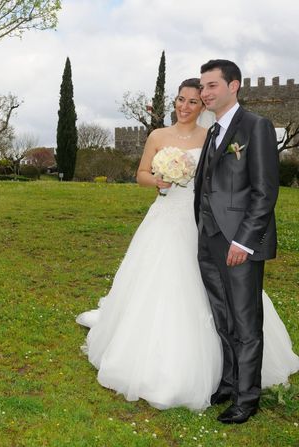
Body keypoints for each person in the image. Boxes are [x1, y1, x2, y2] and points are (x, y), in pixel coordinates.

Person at [76, 77, 299, 413]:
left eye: (193, 101)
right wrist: (159, 179)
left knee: (219, 288)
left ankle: (231, 368)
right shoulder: (157, 136)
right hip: (166, 217)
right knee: (161, 281)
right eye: (180, 100)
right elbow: (140, 173)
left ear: (203, 105)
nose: (184, 107)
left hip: (204, 221)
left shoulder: (211, 137)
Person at [195, 60, 286, 423]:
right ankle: (231, 382)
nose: (205, 93)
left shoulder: (256, 126)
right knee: (223, 315)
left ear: (234, 86)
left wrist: (245, 242)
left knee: (246, 322)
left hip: (239, 243)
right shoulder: (212, 131)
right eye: (202, 86)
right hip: (209, 238)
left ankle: (247, 398)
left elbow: (264, 192)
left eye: (212, 85)